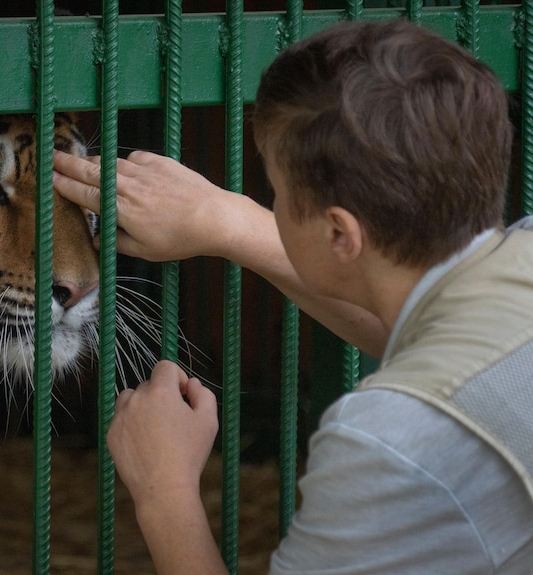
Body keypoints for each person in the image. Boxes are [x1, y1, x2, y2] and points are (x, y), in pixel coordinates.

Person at [52, 18, 533, 575]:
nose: (268, 207)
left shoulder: (387, 440)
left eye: (274, 193)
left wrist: (164, 491)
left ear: (339, 236)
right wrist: (222, 221)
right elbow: (446, 340)